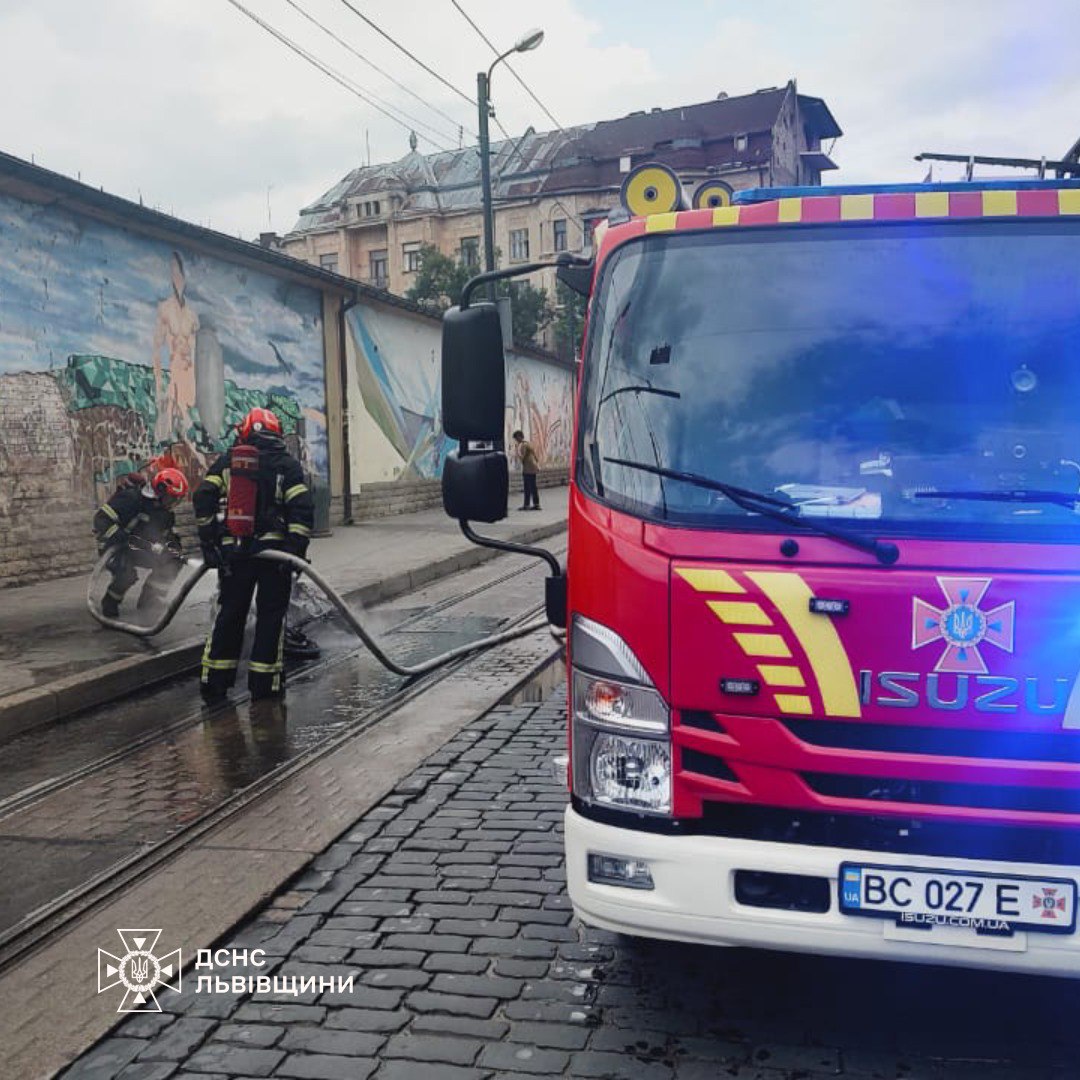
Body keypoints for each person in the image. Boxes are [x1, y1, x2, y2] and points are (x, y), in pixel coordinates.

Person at [193, 407, 314, 701]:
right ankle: (264, 685)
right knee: (271, 618)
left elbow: (203, 497)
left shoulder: (229, 462)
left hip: (235, 554)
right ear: (276, 433)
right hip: (275, 557)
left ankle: (215, 682)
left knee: (230, 613)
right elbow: (301, 508)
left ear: (245, 432)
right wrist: (295, 551)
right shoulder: (286, 465)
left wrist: (210, 543)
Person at [93, 468, 188, 618]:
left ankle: (150, 600)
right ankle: (110, 603)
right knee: (126, 573)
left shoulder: (165, 513)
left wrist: (175, 551)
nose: (173, 503)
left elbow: (168, 536)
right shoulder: (131, 499)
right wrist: (120, 537)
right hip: (114, 546)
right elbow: (101, 519)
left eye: (177, 499)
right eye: (171, 498)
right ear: (160, 491)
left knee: (172, 562)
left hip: (139, 548)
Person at [512, 430, 541, 510]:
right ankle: (536, 504)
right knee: (533, 487)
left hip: (528, 469)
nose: (516, 440)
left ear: (519, 437)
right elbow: (535, 456)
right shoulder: (528, 444)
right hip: (532, 467)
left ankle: (527, 505)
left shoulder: (523, 445)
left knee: (527, 487)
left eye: (516, 438)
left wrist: (517, 451)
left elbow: (522, 458)